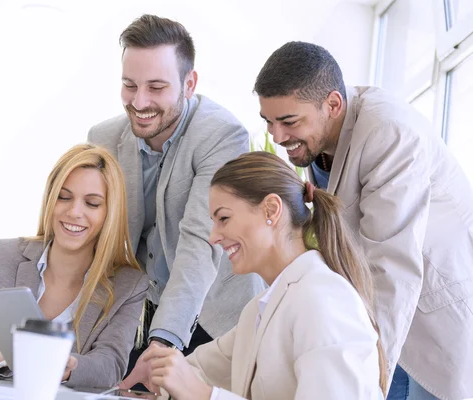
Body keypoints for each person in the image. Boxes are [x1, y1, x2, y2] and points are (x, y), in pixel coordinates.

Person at [253, 41, 473, 400]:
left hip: (430, 315)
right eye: (269, 122)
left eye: (288, 121)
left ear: (334, 104)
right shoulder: (319, 138)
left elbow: (391, 267)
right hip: (375, 318)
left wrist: (363, 381)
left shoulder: (390, 133)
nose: (277, 137)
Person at [87, 14, 267, 389]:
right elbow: (91, 239)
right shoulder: (103, 138)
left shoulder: (222, 136)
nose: (139, 101)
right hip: (140, 308)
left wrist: (163, 344)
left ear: (190, 83)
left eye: (156, 87)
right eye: (129, 85)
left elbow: (200, 244)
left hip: (213, 315)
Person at [143, 151, 386, 400]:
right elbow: (195, 370)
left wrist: (205, 396)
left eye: (224, 218)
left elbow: (196, 385)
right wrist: (163, 371)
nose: (213, 237)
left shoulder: (323, 298)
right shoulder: (259, 311)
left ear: (271, 210)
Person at [0, 143, 149, 388]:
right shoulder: (1, 256)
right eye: (64, 197)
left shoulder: (129, 284)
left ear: (109, 213)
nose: (74, 212)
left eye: (92, 203)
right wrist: (5, 355)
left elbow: (109, 366)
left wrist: (63, 367)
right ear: (50, 198)